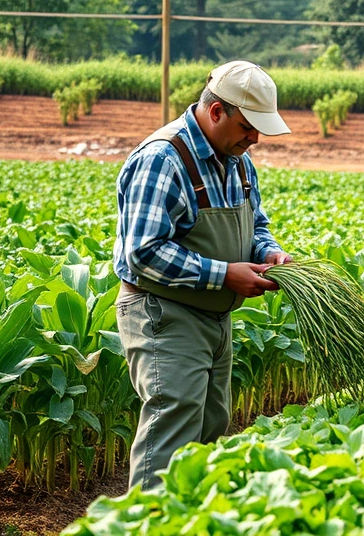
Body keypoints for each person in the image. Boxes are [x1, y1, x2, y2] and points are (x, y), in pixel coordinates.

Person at [113, 60, 293, 491]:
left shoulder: (237, 161)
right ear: (217, 112)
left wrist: (269, 252)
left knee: (212, 424)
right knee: (173, 426)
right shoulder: (163, 158)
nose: (255, 139)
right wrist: (224, 274)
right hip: (164, 314)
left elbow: (257, 224)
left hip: (214, 317)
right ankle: (150, 520)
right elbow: (142, 252)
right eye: (249, 127)